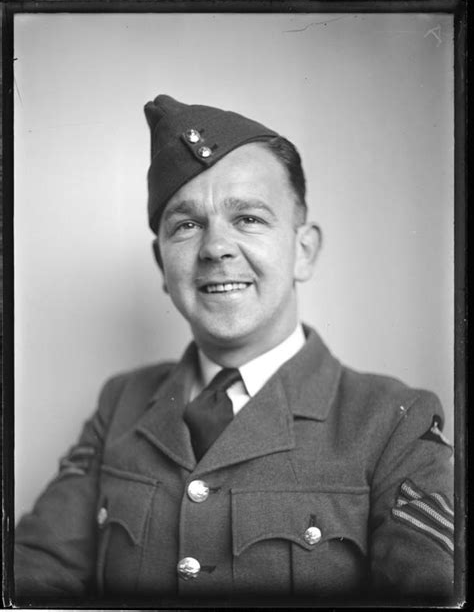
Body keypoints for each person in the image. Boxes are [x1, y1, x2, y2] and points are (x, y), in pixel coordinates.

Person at [14, 94, 454, 605]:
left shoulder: (393, 423)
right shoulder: (122, 403)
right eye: (186, 224)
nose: (215, 248)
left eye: (247, 218)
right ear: (162, 266)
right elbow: (35, 574)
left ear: (303, 250)